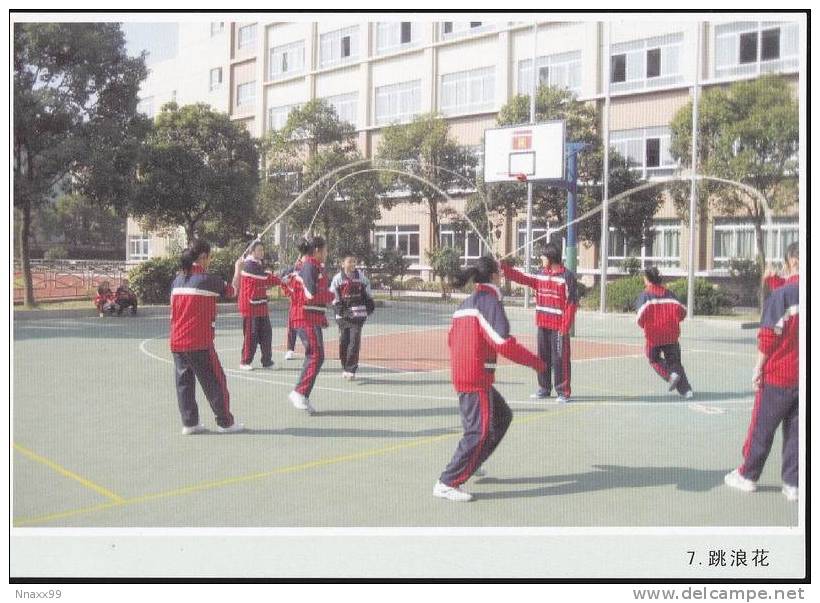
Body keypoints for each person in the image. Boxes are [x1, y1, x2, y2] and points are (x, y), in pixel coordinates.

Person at [434, 256, 546, 502]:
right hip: (475, 376)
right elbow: (503, 343)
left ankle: (471, 464)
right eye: (501, 273)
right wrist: (536, 363)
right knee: (479, 431)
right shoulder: (489, 302)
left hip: (466, 372)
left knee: (502, 416)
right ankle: (447, 481)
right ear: (495, 276)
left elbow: (451, 338)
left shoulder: (466, 303)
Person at [725, 242, 799, 502]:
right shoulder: (790, 293)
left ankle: (748, 476)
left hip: (779, 376)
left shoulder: (783, 296)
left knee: (762, 429)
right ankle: (793, 483)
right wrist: (775, 280)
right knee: (797, 432)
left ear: (792, 261)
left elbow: (769, 336)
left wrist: (758, 368)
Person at [169, 240, 245, 435]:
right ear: (203, 257)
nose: (210, 260)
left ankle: (190, 423)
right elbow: (233, 291)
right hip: (198, 341)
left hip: (177, 342)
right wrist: (238, 269)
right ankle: (225, 422)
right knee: (215, 381)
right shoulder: (206, 279)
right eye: (210, 256)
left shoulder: (178, 280)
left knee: (184, 383)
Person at [500, 242, 578, 403]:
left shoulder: (567, 277)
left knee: (560, 359)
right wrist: (504, 268)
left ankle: (563, 392)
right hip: (543, 324)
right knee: (543, 357)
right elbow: (522, 278)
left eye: (543, 256)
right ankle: (544, 388)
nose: (541, 259)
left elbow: (572, 303)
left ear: (550, 257)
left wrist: (565, 326)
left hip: (559, 327)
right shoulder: (540, 274)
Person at [287, 237, 335, 414]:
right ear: (316, 250)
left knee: (317, 355)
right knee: (316, 355)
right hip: (304, 317)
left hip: (312, 317)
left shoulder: (314, 266)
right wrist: (332, 296)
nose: (327, 253)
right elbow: (310, 293)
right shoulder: (309, 266)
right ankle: (299, 392)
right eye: (325, 250)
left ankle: (303, 394)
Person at [635, 267, 693, 398]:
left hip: (654, 335)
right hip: (671, 334)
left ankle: (669, 375)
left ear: (647, 279)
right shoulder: (670, 294)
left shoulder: (645, 295)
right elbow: (682, 311)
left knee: (653, 358)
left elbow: (640, 317)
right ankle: (686, 391)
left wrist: (645, 325)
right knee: (675, 362)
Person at [235, 241, 281, 371]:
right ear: (252, 251)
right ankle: (245, 361)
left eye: (262, 250)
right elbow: (265, 278)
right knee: (251, 335)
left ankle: (267, 361)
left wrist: (280, 278)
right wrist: (280, 279)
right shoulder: (249, 265)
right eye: (259, 250)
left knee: (267, 333)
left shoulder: (257, 265)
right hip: (250, 306)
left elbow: (266, 279)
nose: (262, 252)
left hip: (260, 305)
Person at [330, 253, 375, 380]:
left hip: (357, 316)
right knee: (344, 342)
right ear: (343, 264)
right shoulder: (337, 279)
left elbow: (368, 293)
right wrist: (342, 311)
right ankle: (345, 366)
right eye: (349, 262)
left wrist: (370, 306)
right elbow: (334, 298)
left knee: (354, 341)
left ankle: (351, 369)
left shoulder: (361, 278)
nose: (352, 264)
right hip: (343, 317)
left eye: (354, 262)